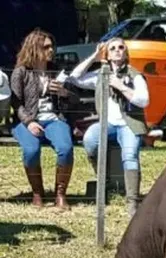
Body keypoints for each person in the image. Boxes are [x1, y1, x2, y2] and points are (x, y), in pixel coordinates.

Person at [67, 38, 150, 217]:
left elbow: (144, 100)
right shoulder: (101, 74)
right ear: (108, 54)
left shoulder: (135, 75)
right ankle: (104, 181)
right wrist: (94, 57)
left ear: (126, 53)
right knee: (90, 140)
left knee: (130, 156)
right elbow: (74, 78)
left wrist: (121, 87)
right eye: (112, 48)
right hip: (107, 124)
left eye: (121, 48)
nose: (117, 50)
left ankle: (132, 202)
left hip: (129, 123)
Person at [9, 28, 76, 210]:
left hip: (54, 119)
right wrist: (29, 122)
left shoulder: (56, 71)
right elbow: (15, 103)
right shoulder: (20, 72)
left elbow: (73, 98)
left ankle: (60, 195)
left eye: (51, 46)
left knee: (65, 148)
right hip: (26, 120)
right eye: (46, 47)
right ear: (34, 48)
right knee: (31, 150)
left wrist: (63, 92)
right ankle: (37, 193)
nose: (51, 50)